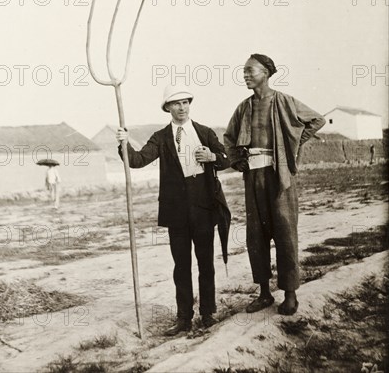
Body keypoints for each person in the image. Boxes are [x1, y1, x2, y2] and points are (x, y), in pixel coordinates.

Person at [116, 85, 230, 335]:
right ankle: (183, 318)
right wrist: (124, 144)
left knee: (206, 264)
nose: (181, 108)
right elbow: (137, 161)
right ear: (167, 108)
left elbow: (226, 159)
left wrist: (212, 157)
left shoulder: (205, 132)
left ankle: (208, 313)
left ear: (190, 105)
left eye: (185, 103)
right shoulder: (161, 137)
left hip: (203, 208)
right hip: (176, 211)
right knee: (181, 266)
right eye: (176, 104)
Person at [224, 54, 325, 316]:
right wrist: (237, 160)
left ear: (266, 73)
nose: (245, 75)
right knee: (256, 235)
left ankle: (290, 295)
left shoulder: (284, 101)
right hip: (253, 178)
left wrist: (291, 145)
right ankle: (264, 293)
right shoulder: (243, 107)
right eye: (243, 72)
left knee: (284, 232)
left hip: (280, 177)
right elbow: (229, 137)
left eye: (250, 71)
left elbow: (316, 120)